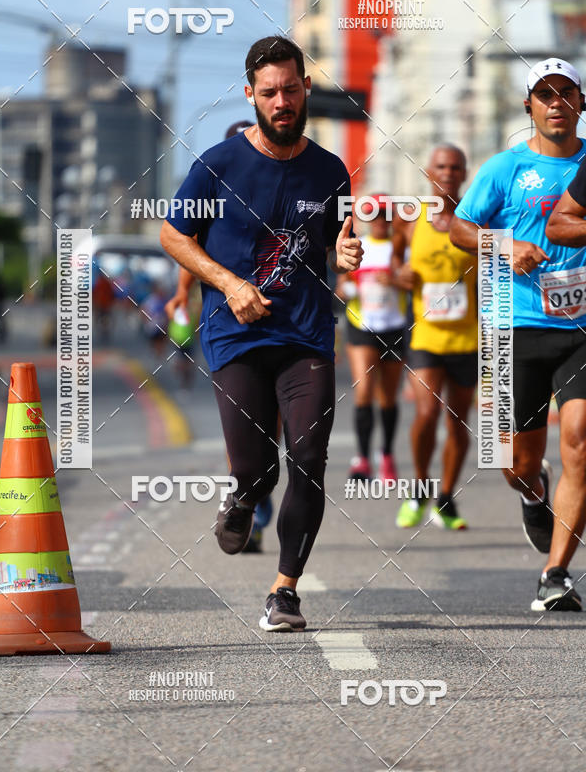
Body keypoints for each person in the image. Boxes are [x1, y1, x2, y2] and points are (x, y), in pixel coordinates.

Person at [160, 36, 362, 631]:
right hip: (236, 337)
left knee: (309, 457)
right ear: (250, 94)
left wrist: (347, 253)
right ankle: (244, 494)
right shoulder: (217, 165)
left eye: (291, 90)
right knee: (256, 467)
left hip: (306, 336)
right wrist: (228, 284)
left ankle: (285, 591)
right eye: (269, 92)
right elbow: (173, 235)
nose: (281, 102)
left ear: (306, 89)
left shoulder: (329, 170)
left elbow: (336, 242)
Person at [450, 58, 586, 612]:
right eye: (545, 95)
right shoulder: (506, 167)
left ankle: (556, 573)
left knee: (580, 439)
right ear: (529, 106)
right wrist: (504, 245)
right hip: (513, 323)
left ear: (581, 102)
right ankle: (533, 493)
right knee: (515, 463)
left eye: (567, 93)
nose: (557, 103)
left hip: (580, 327)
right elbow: (460, 227)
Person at [165, 119, 275, 552]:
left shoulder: (281, 186)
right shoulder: (214, 184)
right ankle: (249, 505)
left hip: (281, 322)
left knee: (273, 428)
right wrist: (181, 293)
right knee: (245, 428)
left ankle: (256, 495)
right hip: (229, 323)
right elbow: (187, 242)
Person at [392, 145, 477, 530]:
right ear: (428, 172)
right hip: (425, 336)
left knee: (458, 423)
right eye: (441, 166)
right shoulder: (410, 219)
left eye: (455, 167)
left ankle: (445, 499)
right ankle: (419, 488)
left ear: (464, 174)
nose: (447, 173)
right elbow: (394, 258)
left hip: (468, 339)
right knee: (426, 415)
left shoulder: (476, 218)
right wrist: (399, 273)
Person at [335, 196, 406, 482]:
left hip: (394, 327)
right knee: (364, 390)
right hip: (361, 326)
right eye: (374, 214)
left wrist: (395, 280)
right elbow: (341, 285)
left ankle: (386, 455)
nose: (380, 220)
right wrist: (346, 289)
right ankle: (362, 459)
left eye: (385, 214)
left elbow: (414, 282)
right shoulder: (358, 245)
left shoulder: (401, 248)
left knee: (388, 397)